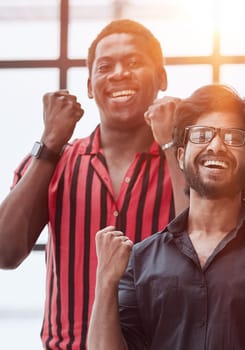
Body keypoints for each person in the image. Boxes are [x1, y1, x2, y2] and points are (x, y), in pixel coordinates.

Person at [87, 84, 245, 350]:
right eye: (201, 135)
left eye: (233, 137)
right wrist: (105, 281)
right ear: (181, 156)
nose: (216, 146)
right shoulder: (142, 259)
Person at [0, 19, 184, 350]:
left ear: (162, 78)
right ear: (89, 85)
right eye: (105, 66)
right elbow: (4, 252)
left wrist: (172, 144)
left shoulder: (183, 163)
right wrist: (50, 141)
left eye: (133, 63)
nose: (118, 74)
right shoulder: (53, 161)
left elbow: (208, 246)